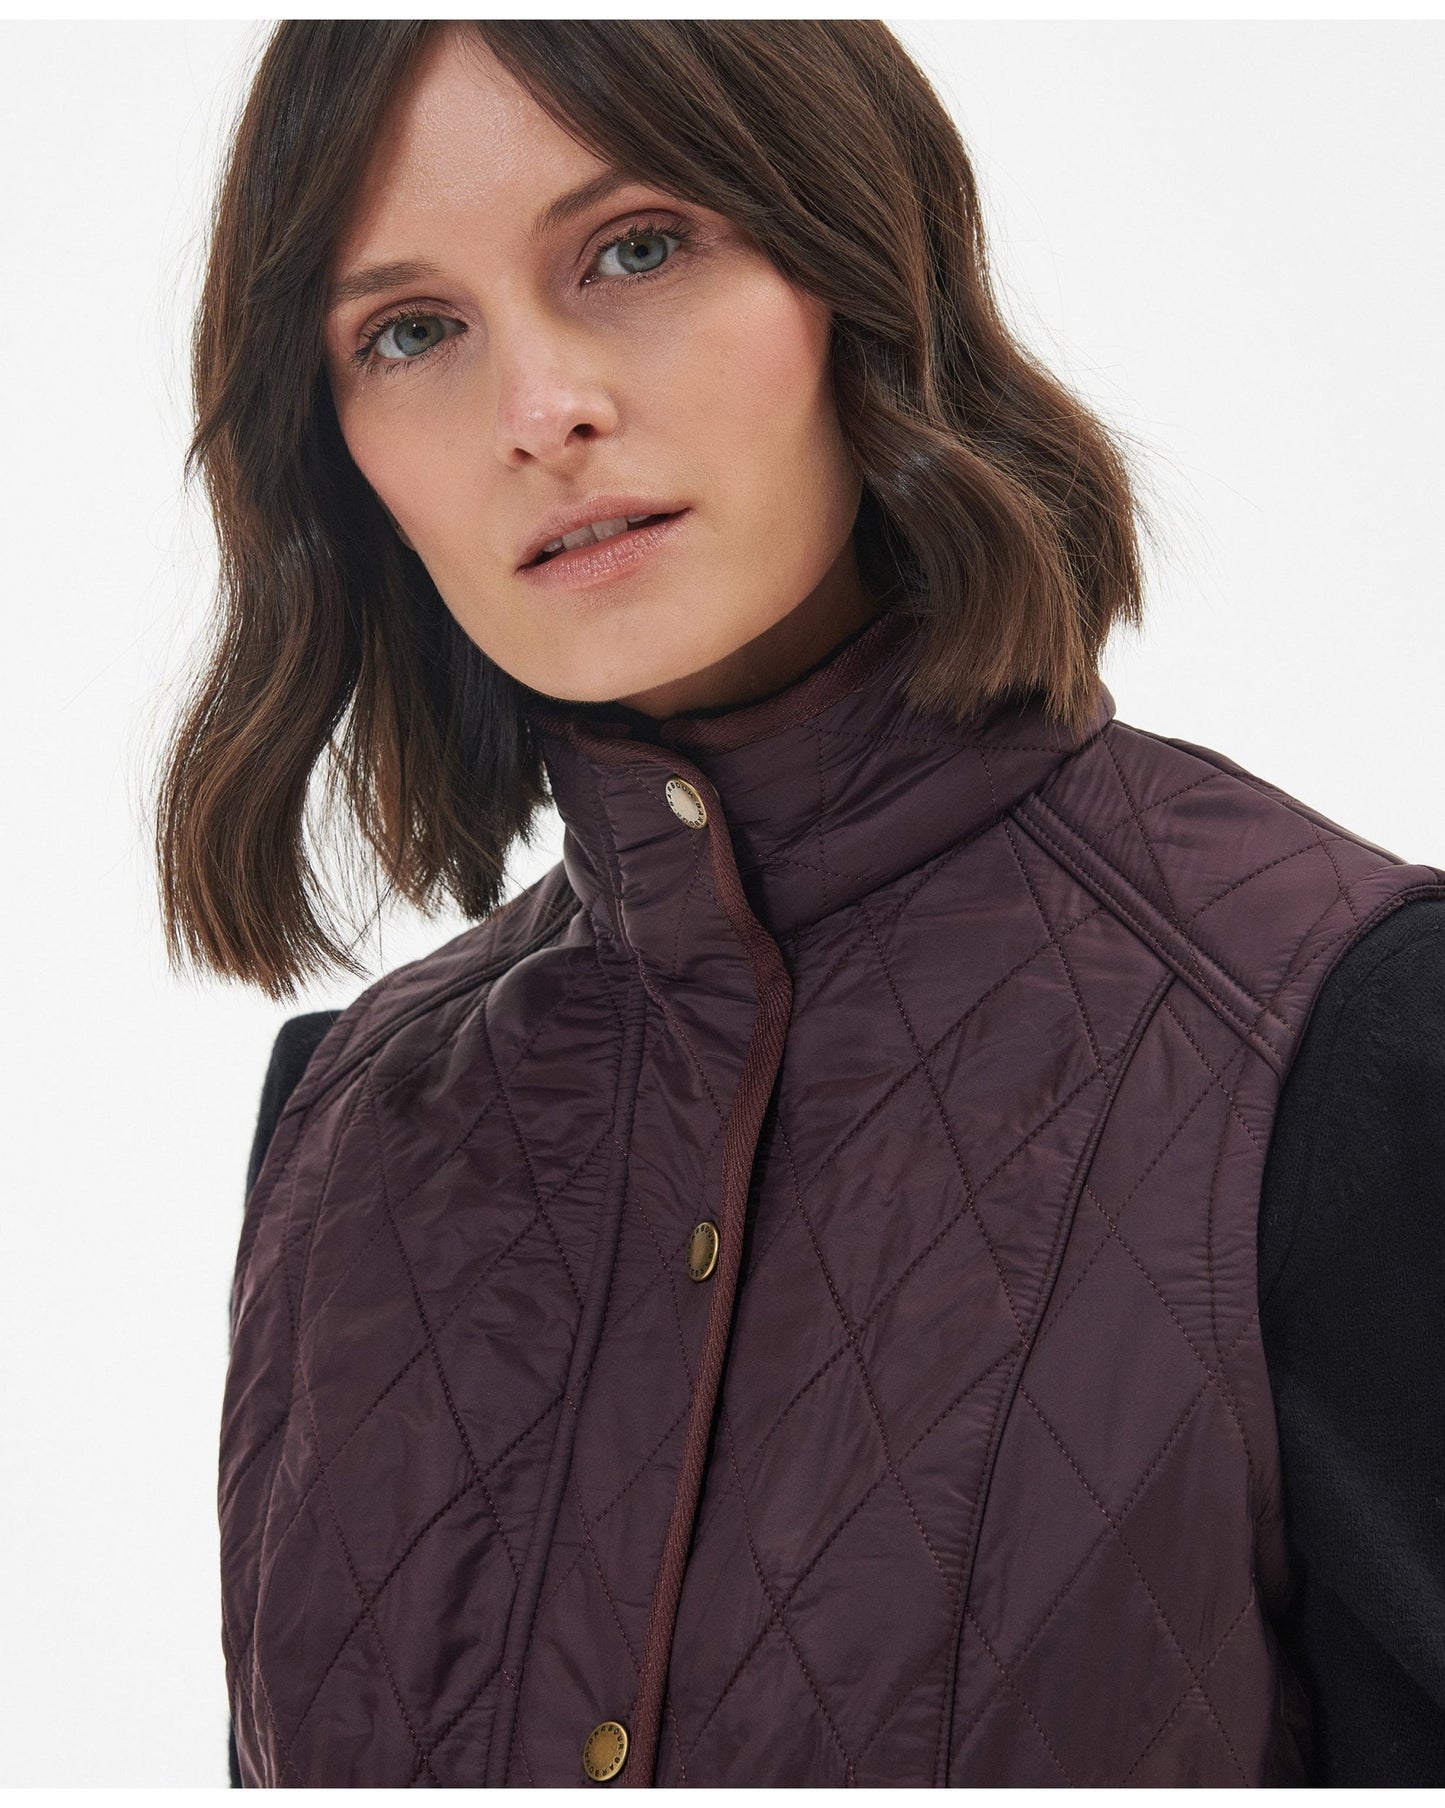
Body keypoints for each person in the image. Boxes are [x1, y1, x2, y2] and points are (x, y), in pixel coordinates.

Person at [153, 20, 1445, 1789]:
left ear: (856, 260)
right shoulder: (347, 1133)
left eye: (635, 249)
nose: (539, 411)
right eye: (411, 331)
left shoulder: (1341, 1034)